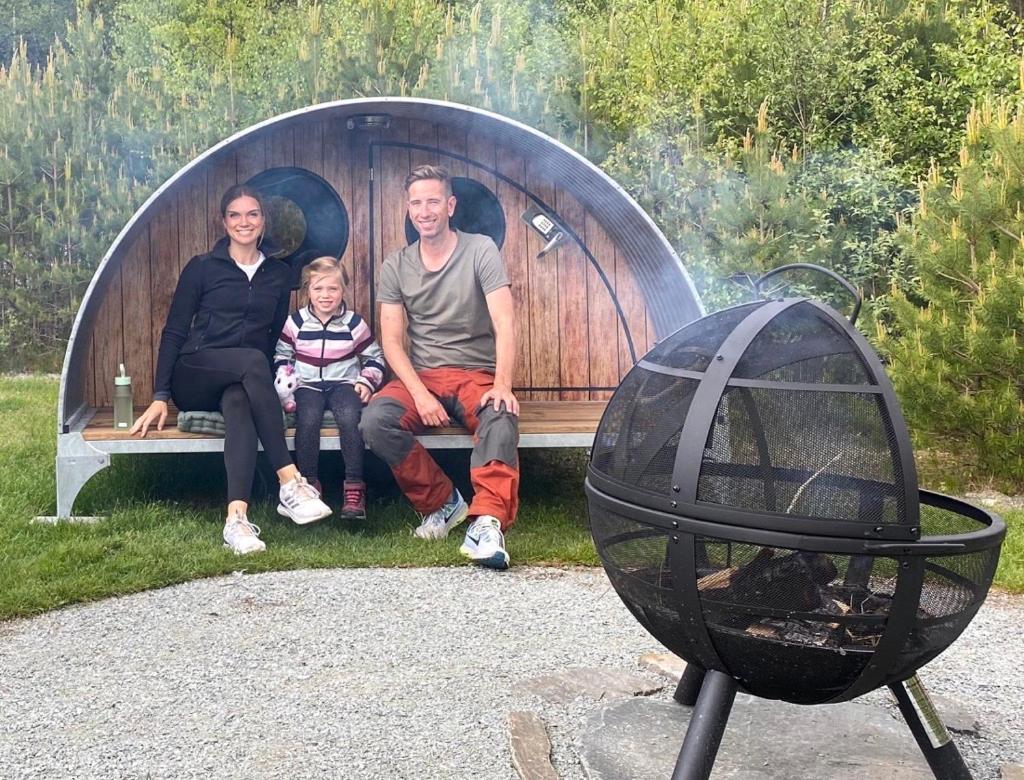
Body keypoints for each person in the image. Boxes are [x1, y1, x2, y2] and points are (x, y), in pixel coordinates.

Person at [130, 184, 332, 555]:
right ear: (224, 222)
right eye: (235, 215)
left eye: (252, 214)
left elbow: (272, 337)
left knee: (241, 401)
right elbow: (175, 330)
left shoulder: (277, 273)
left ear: (263, 220)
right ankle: (289, 480)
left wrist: (271, 392)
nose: (245, 222)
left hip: (242, 378)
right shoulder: (202, 268)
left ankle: (236, 520)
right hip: (194, 371)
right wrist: (160, 395)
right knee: (252, 360)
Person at [359, 164, 519, 570]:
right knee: (375, 420)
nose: (424, 210)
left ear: (450, 205)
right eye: (416, 203)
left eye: (433, 201)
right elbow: (392, 341)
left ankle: (486, 522)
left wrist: (502, 384)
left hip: (474, 374)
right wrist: (419, 393)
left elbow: (505, 322)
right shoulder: (396, 265)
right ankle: (443, 503)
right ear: (408, 209)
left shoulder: (480, 249)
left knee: (499, 415)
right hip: (424, 375)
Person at [273, 257, 385, 520]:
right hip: (307, 385)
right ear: (307, 291)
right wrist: (285, 378)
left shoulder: (353, 324)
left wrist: (366, 381)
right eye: (318, 289)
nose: (325, 295)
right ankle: (309, 485)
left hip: (343, 384)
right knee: (308, 419)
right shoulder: (296, 322)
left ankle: (354, 487)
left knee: (349, 418)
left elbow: (374, 358)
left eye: (332, 289)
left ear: (343, 290)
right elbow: (282, 354)